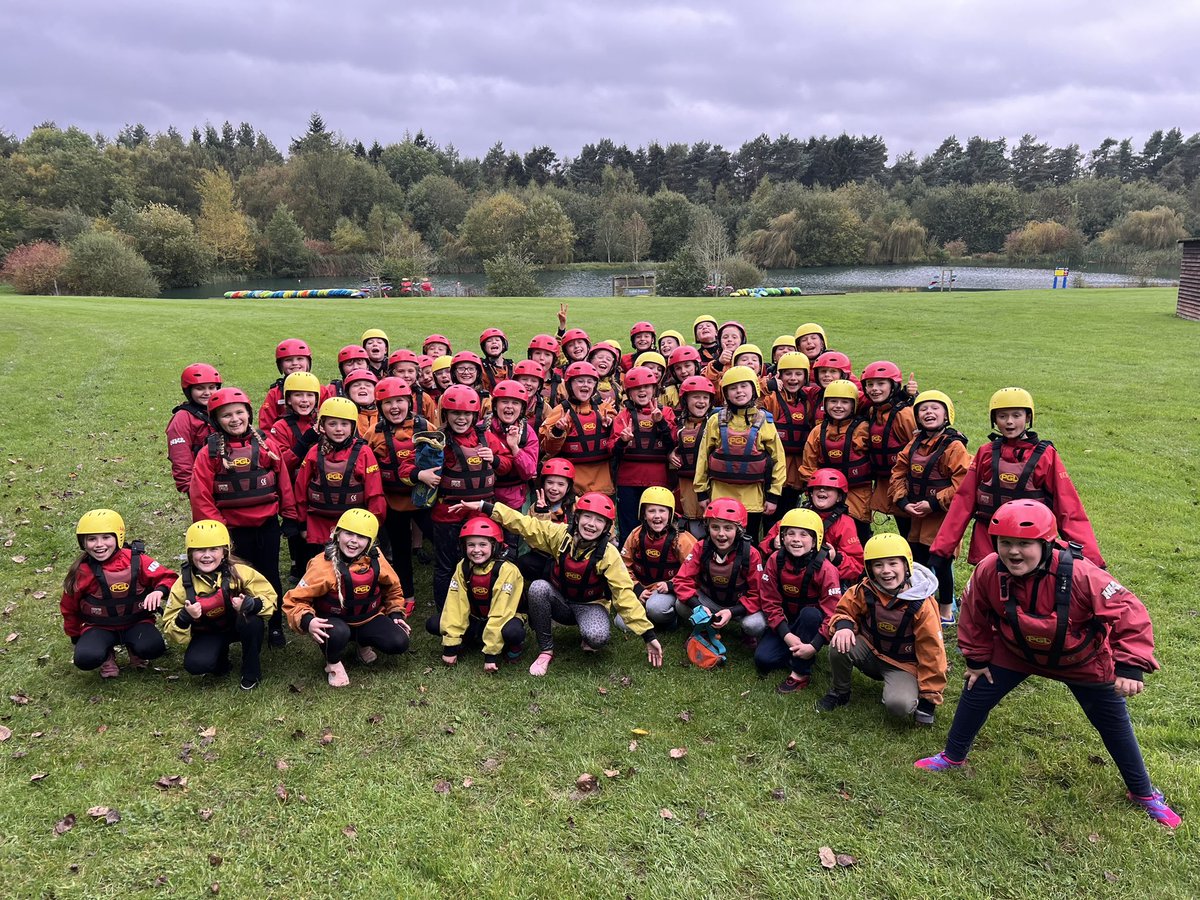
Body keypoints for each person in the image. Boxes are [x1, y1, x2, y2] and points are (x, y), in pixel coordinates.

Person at [914, 500, 1180, 829]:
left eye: (1024, 544)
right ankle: (952, 757)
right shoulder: (988, 570)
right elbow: (973, 613)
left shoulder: (1082, 574)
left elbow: (1130, 611)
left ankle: (1143, 793)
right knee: (976, 690)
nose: (1013, 552)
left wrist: (1129, 667)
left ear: (1046, 543)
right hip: (1016, 652)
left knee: (1114, 725)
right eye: (1005, 543)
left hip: (1082, 661)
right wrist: (978, 658)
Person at [451, 494, 665, 677]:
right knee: (537, 587)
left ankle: (586, 635)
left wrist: (648, 635)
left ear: (607, 527)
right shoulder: (560, 536)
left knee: (597, 638)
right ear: (577, 518)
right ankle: (546, 650)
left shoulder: (609, 555)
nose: (591, 524)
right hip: (560, 601)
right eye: (587, 517)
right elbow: (525, 524)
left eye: (599, 520)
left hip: (589, 605)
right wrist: (484, 506)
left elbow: (624, 595)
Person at [930, 387, 1104, 569]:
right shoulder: (986, 453)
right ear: (994, 420)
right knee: (989, 592)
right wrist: (941, 550)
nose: (1010, 422)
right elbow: (963, 502)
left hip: (1029, 545)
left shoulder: (1045, 455)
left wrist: (1091, 560)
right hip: (989, 544)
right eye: (1002, 416)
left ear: (1028, 417)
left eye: (1016, 415)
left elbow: (1068, 508)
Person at [188, 387, 298, 646]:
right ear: (216, 421)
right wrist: (218, 532)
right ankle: (243, 624)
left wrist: (290, 517)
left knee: (269, 574)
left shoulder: (267, 446)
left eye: (239, 412)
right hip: (233, 530)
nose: (234, 419)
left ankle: (274, 625)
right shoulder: (210, 453)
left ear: (249, 414)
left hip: (266, 526)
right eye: (227, 415)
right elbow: (201, 495)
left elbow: (283, 482)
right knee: (238, 578)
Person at [816, 534, 947, 725]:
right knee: (839, 643)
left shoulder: (922, 605)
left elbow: (932, 652)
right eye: (878, 565)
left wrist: (929, 701)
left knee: (899, 706)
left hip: (902, 665)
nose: (886, 571)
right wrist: (843, 626)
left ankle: (908, 691)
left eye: (893, 564)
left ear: (906, 565)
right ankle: (840, 691)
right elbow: (844, 610)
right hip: (870, 649)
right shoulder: (866, 589)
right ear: (870, 569)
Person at [283, 509, 411, 688]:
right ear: (337, 534)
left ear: (370, 542)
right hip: (335, 622)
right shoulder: (322, 566)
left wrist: (396, 613)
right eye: (348, 533)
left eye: (361, 537)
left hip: (367, 617)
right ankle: (333, 662)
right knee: (339, 632)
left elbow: (393, 588)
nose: (353, 541)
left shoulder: (376, 559)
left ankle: (362, 643)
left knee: (399, 642)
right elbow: (294, 600)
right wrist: (308, 621)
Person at [422, 385, 513, 611]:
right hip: (448, 515)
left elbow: (507, 465)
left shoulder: (486, 438)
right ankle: (446, 612)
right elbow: (410, 467)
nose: (461, 419)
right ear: (446, 414)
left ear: (475, 416)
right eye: (455, 413)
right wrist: (420, 474)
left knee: (483, 563)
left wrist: (495, 459)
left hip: (481, 512)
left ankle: (480, 608)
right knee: (446, 566)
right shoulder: (437, 440)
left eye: (466, 414)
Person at [162, 519, 276, 690]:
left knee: (253, 622)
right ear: (190, 553)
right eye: (200, 550)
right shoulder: (182, 585)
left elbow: (269, 597)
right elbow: (170, 628)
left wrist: (251, 604)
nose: (206, 555)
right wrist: (185, 617)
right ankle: (221, 661)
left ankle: (251, 669)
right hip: (209, 631)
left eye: (213, 549)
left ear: (224, 552)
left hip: (236, 625)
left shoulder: (240, 572)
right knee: (196, 665)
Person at [61, 509, 175, 678]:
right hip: (99, 627)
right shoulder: (82, 572)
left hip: (136, 622)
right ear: (83, 542)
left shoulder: (137, 560)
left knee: (153, 648)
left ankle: (134, 649)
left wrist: (160, 591)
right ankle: (107, 655)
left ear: (118, 537)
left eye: (106, 537)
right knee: (85, 659)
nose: (99, 544)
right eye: (92, 539)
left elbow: (170, 578)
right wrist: (76, 637)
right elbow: (69, 608)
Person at [889, 391, 970, 624]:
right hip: (917, 515)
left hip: (941, 517)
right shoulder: (914, 443)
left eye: (935, 408)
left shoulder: (954, 446)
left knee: (941, 562)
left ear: (947, 414)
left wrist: (933, 503)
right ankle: (922, 604)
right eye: (923, 409)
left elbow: (962, 482)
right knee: (919, 560)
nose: (929, 413)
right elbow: (898, 473)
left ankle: (946, 610)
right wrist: (903, 502)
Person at [755, 509, 842, 692]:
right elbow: (769, 601)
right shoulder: (774, 560)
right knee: (763, 660)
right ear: (782, 537)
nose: (796, 539)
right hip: (786, 621)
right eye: (790, 534)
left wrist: (815, 644)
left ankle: (800, 672)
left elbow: (833, 612)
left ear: (816, 540)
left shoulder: (826, 569)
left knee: (810, 614)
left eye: (804, 535)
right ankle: (794, 649)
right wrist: (786, 634)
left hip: (810, 622)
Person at [694, 366, 786, 539]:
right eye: (733, 388)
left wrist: (774, 495)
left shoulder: (764, 421)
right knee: (720, 541)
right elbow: (703, 458)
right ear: (726, 393)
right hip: (719, 496)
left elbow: (778, 460)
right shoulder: (715, 420)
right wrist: (701, 492)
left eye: (744, 386)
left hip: (753, 500)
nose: (739, 391)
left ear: (754, 389)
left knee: (749, 544)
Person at [430, 516, 527, 671]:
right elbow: (456, 605)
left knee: (512, 632)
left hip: (504, 619)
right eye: (471, 545)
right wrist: (450, 646)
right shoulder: (463, 567)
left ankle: (512, 646)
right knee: (435, 623)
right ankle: (468, 640)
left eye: (483, 544)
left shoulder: (507, 571)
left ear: (495, 546)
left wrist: (491, 656)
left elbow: (500, 613)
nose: (476, 550)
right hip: (477, 617)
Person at [294, 396, 385, 560]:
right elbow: (301, 490)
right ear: (322, 426)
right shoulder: (314, 452)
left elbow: (375, 493)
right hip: (318, 525)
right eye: (332, 424)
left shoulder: (364, 453)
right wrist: (302, 524)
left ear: (353, 426)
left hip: (354, 528)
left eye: (344, 424)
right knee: (320, 570)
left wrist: (372, 527)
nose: (338, 429)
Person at [367, 377, 429, 603]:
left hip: (423, 501)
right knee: (401, 551)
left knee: (442, 542)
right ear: (380, 407)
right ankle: (407, 596)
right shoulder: (374, 434)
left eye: (400, 401)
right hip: (393, 501)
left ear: (409, 403)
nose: (395, 407)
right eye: (388, 402)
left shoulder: (424, 427)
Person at [672, 498, 768, 643]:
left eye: (728, 528)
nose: (721, 534)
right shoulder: (701, 547)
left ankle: (747, 633)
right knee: (681, 605)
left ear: (739, 530)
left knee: (755, 625)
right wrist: (698, 607)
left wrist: (732, 611)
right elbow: (682, 580)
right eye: (715, 527)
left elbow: (758, 592)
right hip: (709, 600)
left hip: (737, 604)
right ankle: (705, 624)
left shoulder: (751, 554)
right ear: (707, 528)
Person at [760, 468, 864, 586]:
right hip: (791, 575)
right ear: (810, 493)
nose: (822, 490)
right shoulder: (795, 516)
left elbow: (857, 565)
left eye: (829, 488)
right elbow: (763, 547)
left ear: (839, 497)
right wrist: (772, 543)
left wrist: (836, 558)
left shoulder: (845, 523)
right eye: (817, 488)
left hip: (824, 580)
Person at [800, 379, 873, 544]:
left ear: (853, 405)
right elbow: (808, 467)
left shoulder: (863, 429)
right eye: (833, 401)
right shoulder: (818, 432)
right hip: (827, 493)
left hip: (858, 493)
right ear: (825, 404)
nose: (838, 406)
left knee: (858, 534)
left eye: (845, 402)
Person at [611, 366, 677, 541]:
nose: (642, 391)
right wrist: (623, 440)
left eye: (646, 387)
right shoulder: (623, 416)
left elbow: (673, 443)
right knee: (628, 528)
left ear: (654, 389)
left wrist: (661, 422)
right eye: (636, 388)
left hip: (658, 478)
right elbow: (613, 450)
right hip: (628, 480)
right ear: (629, 393)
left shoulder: (666, 412)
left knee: (658, 528)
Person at [619, 486, 697, 631]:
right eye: (651, 511)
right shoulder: (636, 535)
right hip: (642, 587)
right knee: (621, 623)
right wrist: (637, 589)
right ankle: (650, 617)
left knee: (656, 609)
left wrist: (671, 585)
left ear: (671, 513)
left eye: (662, 511)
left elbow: (694, 569)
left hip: (666, 590)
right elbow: (623, 566)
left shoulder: (681, 539)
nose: (657, 516)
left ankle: (670, 618)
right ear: (643, 514)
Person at [269, 371, 322, 580]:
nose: (304, 400)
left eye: (310, 395)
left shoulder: (324, 420)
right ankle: (299, 567)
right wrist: (304, 442)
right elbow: (281, 463)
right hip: (292, 488)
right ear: (288, 399)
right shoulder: (280, 427)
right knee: (299, 532)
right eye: (298, 395)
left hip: (319, 488)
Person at [539, 361, 618, 496]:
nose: (585, 385)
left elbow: (619, 437)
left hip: (604, 482)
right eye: (580, 381)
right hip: (573, 484)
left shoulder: (604, 408)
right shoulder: (560, 411)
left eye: (590, 381)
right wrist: (558, 430)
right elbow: (547, 448)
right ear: (569, 385)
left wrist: (611, 425)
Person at [861, 361, 916, 539]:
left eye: (881, 384)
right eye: (870, 384)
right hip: (889, 482)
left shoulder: (904, 414)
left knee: (917, 538)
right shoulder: (873, 412)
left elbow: (919, 447)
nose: (874, 389)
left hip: (909, 484)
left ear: (893, 387)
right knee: (907, 533)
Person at [760, 352, 814, 525]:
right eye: (788, 374)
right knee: (770, 520)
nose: (793, 378)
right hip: (773, 470)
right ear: (779, 375)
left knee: (789, 517)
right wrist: (766, 384)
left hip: (796, 472)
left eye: (798, 374)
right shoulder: (772, 397)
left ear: (805, 376)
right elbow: (753, 399)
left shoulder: (806, 400)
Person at [668, 374, 717, 539]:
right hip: (687, 487)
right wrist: (670, 454)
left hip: (709, 487)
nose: (701, 401)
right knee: (692, 530)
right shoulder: (679, 426)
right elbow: (672, 445)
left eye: (705, 398)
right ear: (685, 401)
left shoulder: (716, 423)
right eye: (696, 397)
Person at [488, 379, 540, 520]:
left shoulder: (527, 432)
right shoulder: (482, 428)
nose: (509, 407)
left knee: (511, 540)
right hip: (486, 493)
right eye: (504, 402)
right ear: (495, 405)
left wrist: (515, 449)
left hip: (514, 497)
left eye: (515, 403)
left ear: (522, 409)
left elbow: (529, 472)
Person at [167, 363, 220, 494]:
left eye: (212, 387)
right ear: (188, 391)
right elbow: (180, 456)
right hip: (201, 482)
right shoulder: (182, 418)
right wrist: (190, 487)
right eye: (200, 388)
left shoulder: (222, 411)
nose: (207, 393)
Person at [258, 339, 312, 432]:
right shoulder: (275, 393)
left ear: (308, 362)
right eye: (288, 360)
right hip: (283, 441)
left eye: (300, 358)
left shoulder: (321, 390)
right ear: (281, 365)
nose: (295, 363)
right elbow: (266, 426)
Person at [479, 327, 514, 392]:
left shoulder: (512, 367)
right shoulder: (480, 367)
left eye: (497, 340)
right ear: (484, 347)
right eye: (489, 341)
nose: (494, 342)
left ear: (503, 345)